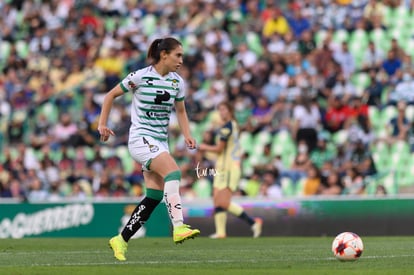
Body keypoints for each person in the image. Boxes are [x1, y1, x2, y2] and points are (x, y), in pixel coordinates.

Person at [98, 37, 200, 261]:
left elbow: (181, 111)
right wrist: (102, 124)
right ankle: (179, 226)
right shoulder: (140, 76)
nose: (181, 60)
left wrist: (187, 134)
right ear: (164, 55)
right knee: (173, 172)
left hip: (160, 142)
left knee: (153, 196)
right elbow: (110, 96)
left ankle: (121, 240)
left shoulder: (177, 82)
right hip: (140, 139)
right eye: (178, 55)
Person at [198, 102, 263, 239]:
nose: (221, 112)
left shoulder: (227, 127)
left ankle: (253, 222)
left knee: (223, 202)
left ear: (230, 110)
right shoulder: (232, 126)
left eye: (224, 109)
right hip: (222, 167)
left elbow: (219, 149)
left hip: (228, 169)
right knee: (217, 200)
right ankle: (221, 232)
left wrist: (203, 147)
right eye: (219, 110)